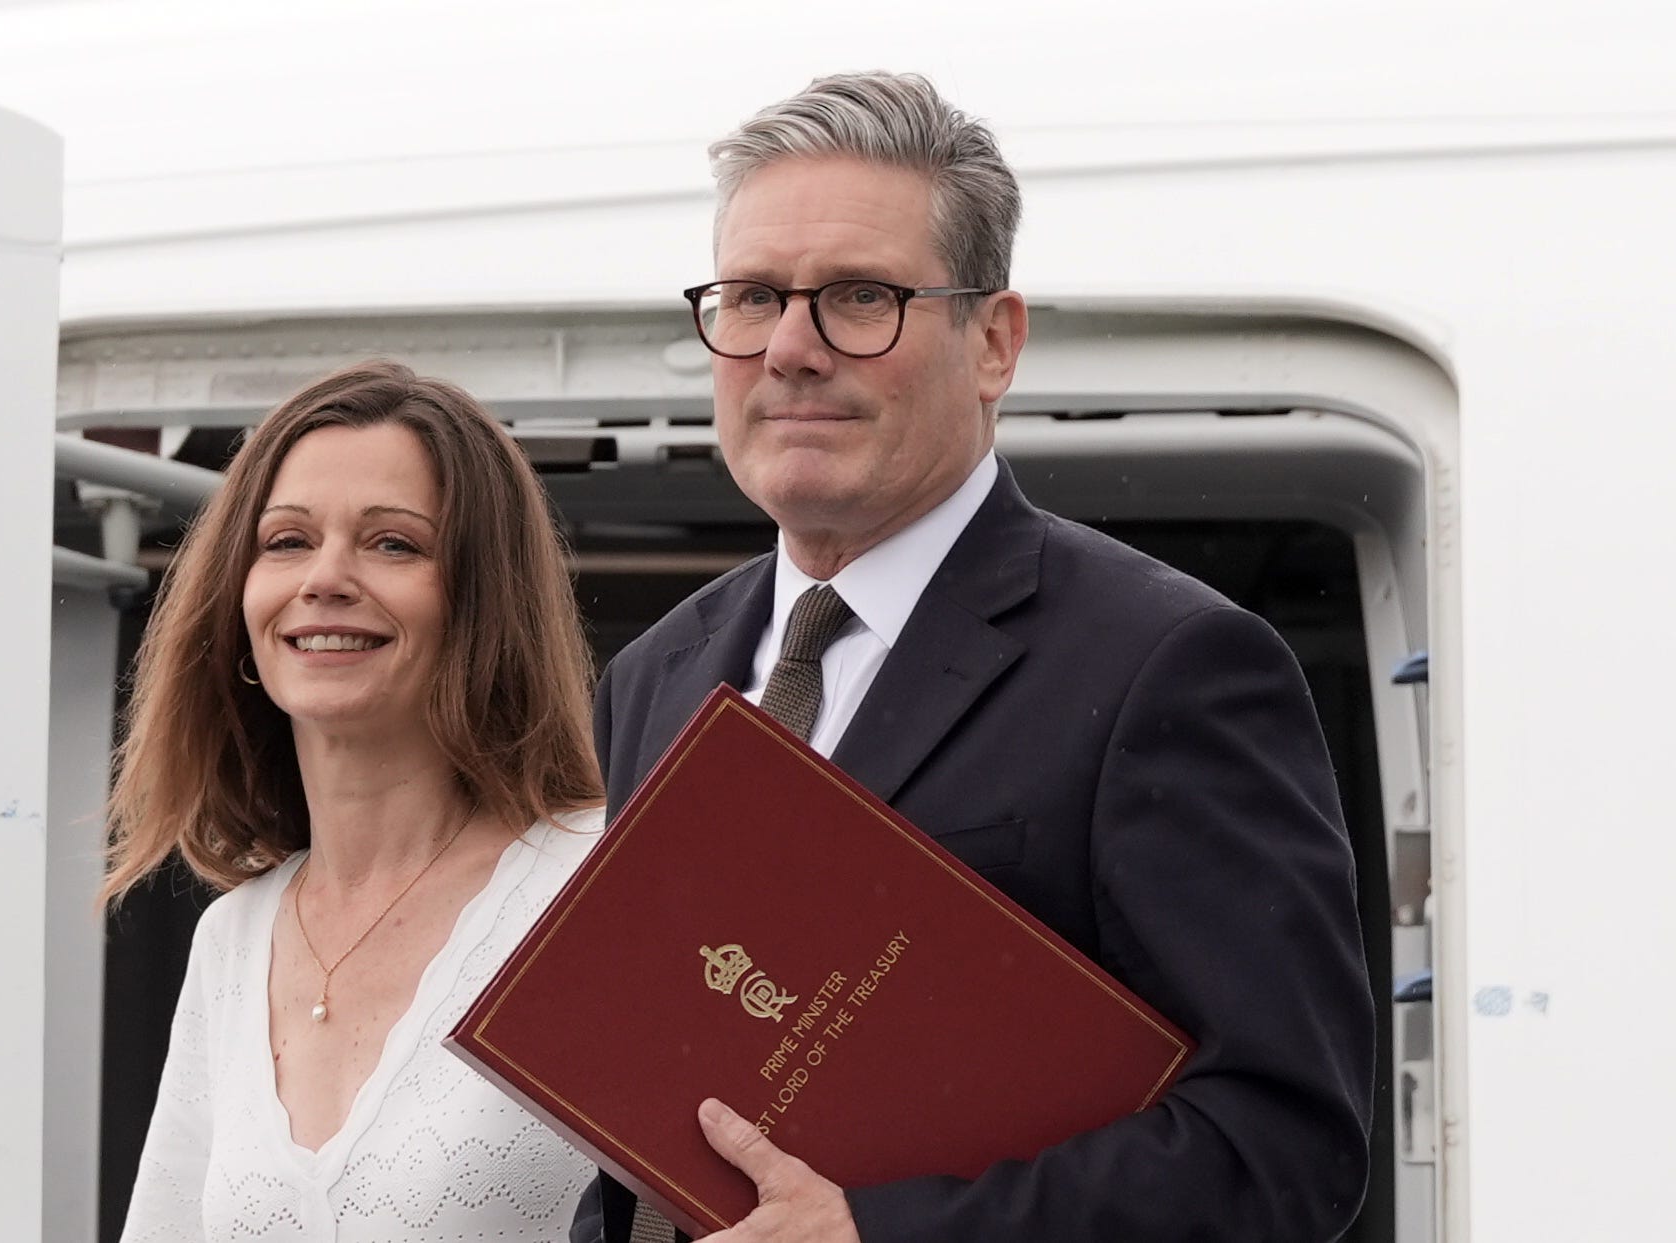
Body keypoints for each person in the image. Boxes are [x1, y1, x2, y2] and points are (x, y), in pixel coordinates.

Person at [575, 73, 1374, 1243]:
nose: (790, 349)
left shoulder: (1167, 664)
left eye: (859, 297)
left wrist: (873, 1236)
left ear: (994, 341)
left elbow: (1281, 1150)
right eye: (750, 298)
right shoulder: (654, 674)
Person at [105, 360, 605, 1242]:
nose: (325, 578)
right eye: (287, 540)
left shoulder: (596, 885)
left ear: (483, 604)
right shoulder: (233, 940)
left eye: (393, 543)